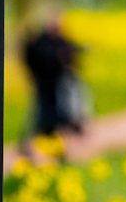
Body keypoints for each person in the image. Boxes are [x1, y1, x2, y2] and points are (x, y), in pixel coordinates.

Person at [21, 9, 86, 145]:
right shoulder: (41, 42)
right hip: (44, 83)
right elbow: (38, 58)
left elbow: (70, 53)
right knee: (40, 115)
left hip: (55, 83)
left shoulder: (60, 40)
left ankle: (58, 143)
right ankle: (29, 143)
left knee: (57, 113)